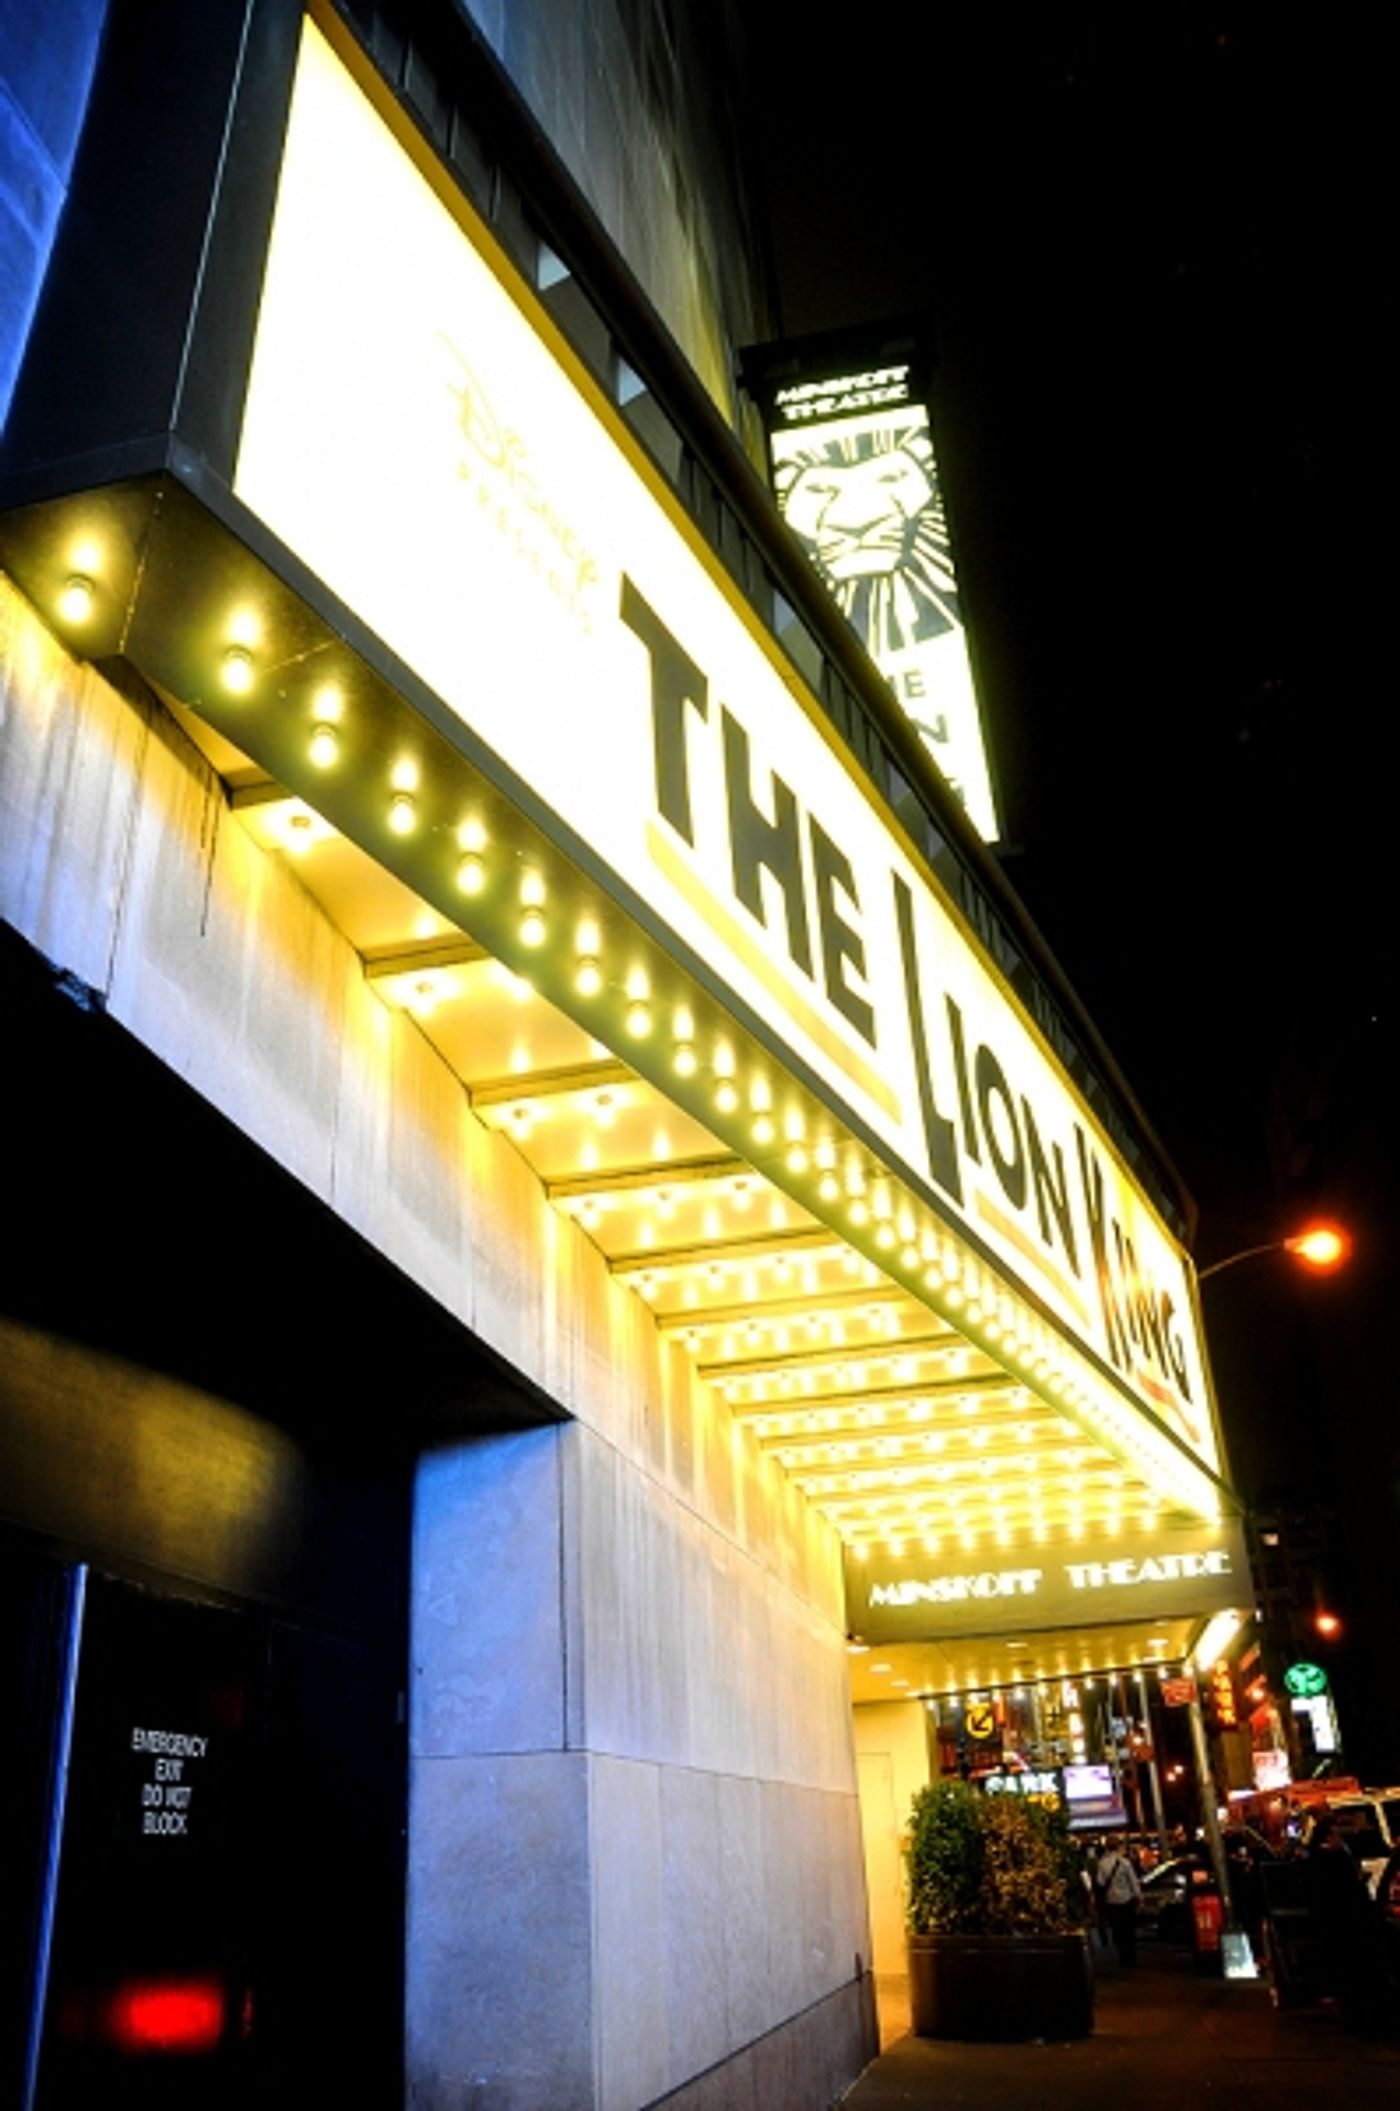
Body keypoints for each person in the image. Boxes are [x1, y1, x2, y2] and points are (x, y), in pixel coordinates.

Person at [1305, 1815, 1388, 2035]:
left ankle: (1357, 2018)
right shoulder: (1330, 1859)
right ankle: (1361, 2019)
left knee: (1348, 1975)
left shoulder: (1321, 1858)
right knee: (1353, 1975)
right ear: (1330, 1836)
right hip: (1346, 1924)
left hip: (1340, 1924)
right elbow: (1342, 1890)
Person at [1096, 1836, 1143, 1966]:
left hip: (1111, 1902)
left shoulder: (1102, 1863)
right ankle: (1131, 1958)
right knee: (1129, 1931)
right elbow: (1133, 1882)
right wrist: (1139, 1897)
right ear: (1118, 1846)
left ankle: (1122, 1957)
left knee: (1118, 1931)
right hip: (1126, 1901)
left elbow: (1100, 1882)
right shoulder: (1125, 1862)